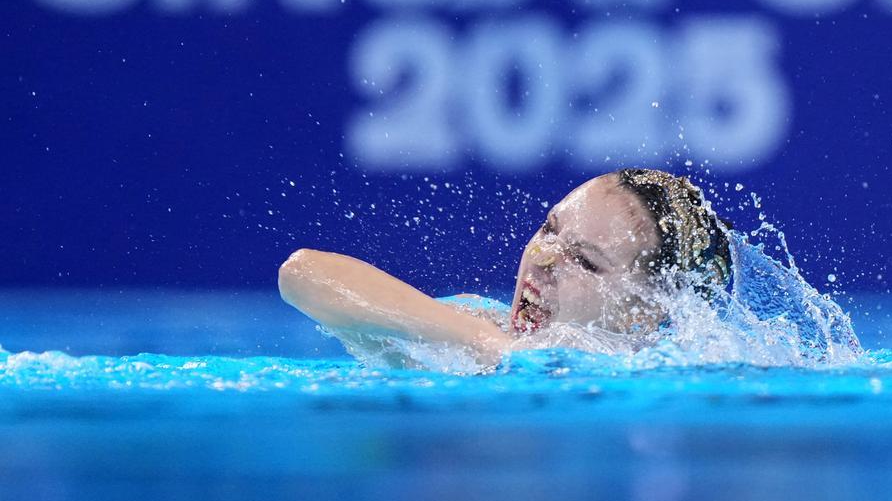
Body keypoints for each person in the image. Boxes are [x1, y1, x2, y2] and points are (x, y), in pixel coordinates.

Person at [278, 168, 859, 367]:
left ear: (645, 315)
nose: (545, 257)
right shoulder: (481, 327)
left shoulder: (649, 377)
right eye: (551, 229)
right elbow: (302, 274)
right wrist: (488, 343)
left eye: (585, 261)